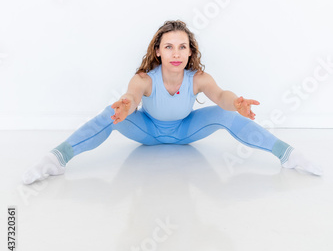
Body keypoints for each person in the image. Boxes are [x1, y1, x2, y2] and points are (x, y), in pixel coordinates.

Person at [22, 20, 323, 184]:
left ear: (190, 52)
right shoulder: (145, 78)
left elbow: (220, 96)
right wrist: (126, 105)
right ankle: (56, 159)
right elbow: (132, 94)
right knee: (110, 113)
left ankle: (288, 155)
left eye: (182, 47)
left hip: (185, 130)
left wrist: (237, 103)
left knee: (227, 115)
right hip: (149, 131)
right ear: (158, 52)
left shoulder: (198, 77)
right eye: (169, 47)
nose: (176, 53)